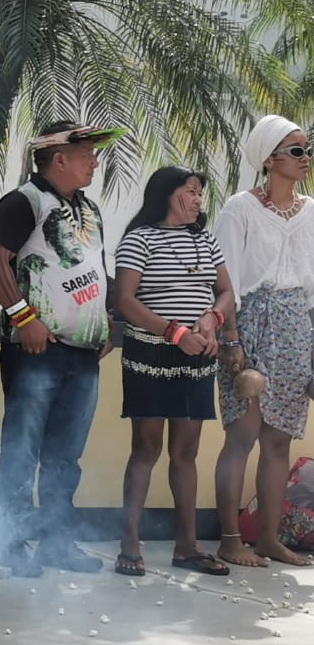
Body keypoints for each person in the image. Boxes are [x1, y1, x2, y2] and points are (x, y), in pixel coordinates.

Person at [0, 121, 124, 577]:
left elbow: (95, 269)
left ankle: (56, 542)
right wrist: (24, 317)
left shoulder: (89, 209)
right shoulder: (25, 201)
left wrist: (107, 320)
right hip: (38, 351)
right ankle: (9, 541)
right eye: (87, 154)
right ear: (58, 156)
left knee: (66, 454)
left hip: (83, 352)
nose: (95, 162)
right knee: (23, 449)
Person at [112, 166, 233, 576]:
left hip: (196, 359)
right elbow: (125, 301)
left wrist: (212, 319)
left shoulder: (206, 240)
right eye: (191, 191)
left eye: (200, 193)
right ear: (166, 194)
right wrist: (173, 331)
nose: (199, 200)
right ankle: (130, 544)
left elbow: (226, 292)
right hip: (151, 356)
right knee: (146, 449)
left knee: (186, 453)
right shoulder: (139, 239)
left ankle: (187, 546)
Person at [214, 115, 314, 568]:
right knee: (243, 436)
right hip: (249, 323)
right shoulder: (240, 208)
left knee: (279, 441)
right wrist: (230, 339)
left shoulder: (311, 210)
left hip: (297, 325)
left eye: (307, 149)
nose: (305, 158)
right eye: (296, 150)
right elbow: (225, 279)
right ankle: (231, 539)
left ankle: (270, 539)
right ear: (269, 159)